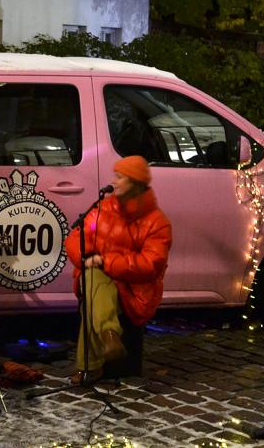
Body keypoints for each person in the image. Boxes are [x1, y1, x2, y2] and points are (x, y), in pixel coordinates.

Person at [64, 155, 173, 384]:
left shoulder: (156, 221)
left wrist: (105, 262)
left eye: (121, 177)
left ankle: (90, 366)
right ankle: (109, 335)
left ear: (136, 183)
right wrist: (85, 258)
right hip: (98, 277)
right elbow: (78, 235)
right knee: (93, 278)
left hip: (133, 289)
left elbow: (150, 265)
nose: (115, 181)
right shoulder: (102, 210)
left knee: (92, 297)